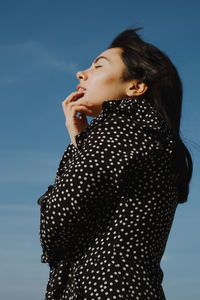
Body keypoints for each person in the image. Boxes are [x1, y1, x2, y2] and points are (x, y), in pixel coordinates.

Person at [37, 27, 193, 300]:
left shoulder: (119, 129)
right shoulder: (149, 136)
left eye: (98, 66)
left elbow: (55, 224)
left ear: (135, 86)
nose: (81, 73)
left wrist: (82, 143)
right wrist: (79, 138)